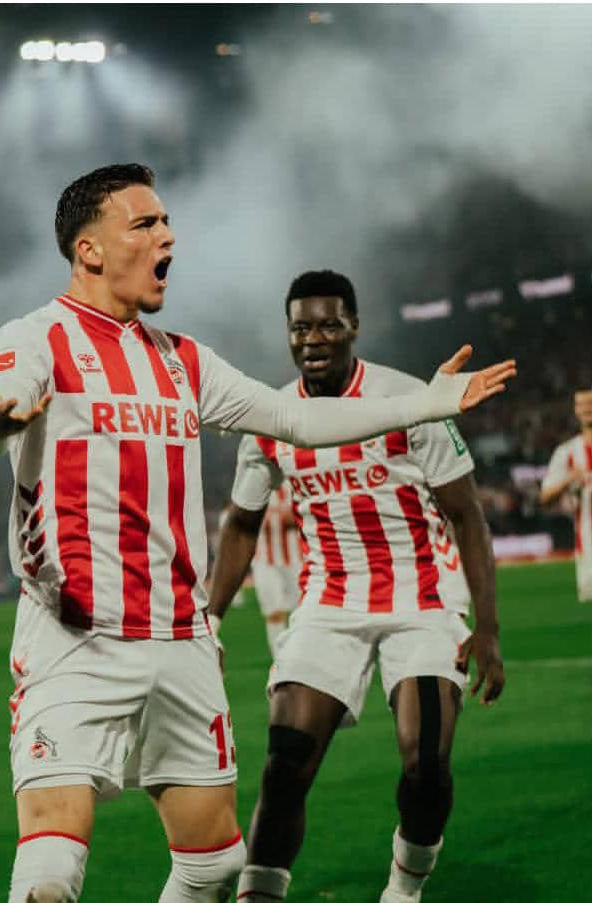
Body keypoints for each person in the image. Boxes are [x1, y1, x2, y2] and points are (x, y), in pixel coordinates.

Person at [0, 166, 515, 903]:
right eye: (146, 223)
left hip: (181, 639)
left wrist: (425, 402)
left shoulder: (181, 358)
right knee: (51, 873)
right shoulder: (37, 337)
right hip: (77, 635)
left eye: (166, 221)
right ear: (89, 250)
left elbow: (295, 418)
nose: (168, 235)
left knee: (215, 866)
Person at [208, 270, 506, 903]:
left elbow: (467, 516)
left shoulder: (411, 400)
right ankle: (258, 894)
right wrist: (208, 619)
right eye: (301, 328)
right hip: (330, 602)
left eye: (328, 325)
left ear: (353, 327)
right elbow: (241, 523)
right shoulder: (273, 418)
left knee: (426, 764)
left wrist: (487, 628)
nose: (313, 338)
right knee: (285, 761)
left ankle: (403, 889)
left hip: (423, 600)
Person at [539, 388, 592, 603]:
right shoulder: (567, 452)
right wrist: (568, 480)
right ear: (575, 410)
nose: (587, 408)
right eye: (582, 404)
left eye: (591, 402)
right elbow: (545, 498)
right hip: (588, 546)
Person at [250, 486, 302, 655]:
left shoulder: (293, 484)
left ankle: (299, 656)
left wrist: (296, 516)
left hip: (295, 560)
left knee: (300, 614)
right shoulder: (256, 485)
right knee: (273, 612)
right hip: (265, 560)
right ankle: (279, 660)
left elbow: (307, 515)